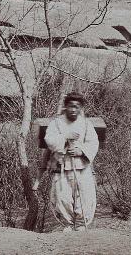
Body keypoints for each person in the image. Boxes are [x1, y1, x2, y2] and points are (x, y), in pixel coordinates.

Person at [44, 92, 99, 232]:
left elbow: (93, 142)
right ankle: (67, 224)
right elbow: (49, 140)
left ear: (80, 108)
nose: (73, 109)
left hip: (82, 168)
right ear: (65, 106)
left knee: (84, 197)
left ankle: (81, 225)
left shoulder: (86, 124)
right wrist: (64, 137)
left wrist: (81, 151)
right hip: (62, 167)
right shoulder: (56, 123)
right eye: (70, 106)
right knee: (63, 197)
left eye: (76, 106)